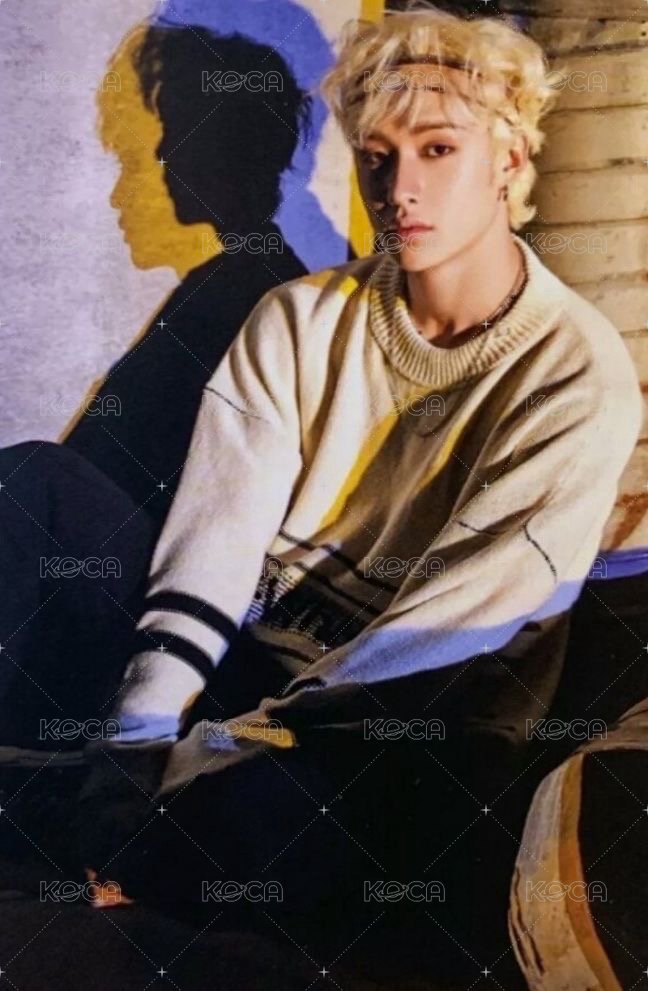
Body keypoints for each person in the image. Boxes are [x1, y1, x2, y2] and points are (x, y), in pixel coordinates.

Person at [1, 5, 643, 980]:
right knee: (36, 484)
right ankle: (95, 813)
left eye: (438, 149)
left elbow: (426, 656)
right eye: (379, 157)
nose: (402, 186)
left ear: (511, 162)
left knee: (314, 803)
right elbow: (205, 563)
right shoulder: (294, 320)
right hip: (249, 675)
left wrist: (197, 762)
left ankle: (108, 838)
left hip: (391, 728)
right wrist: (136, 743)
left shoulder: (573, 375)